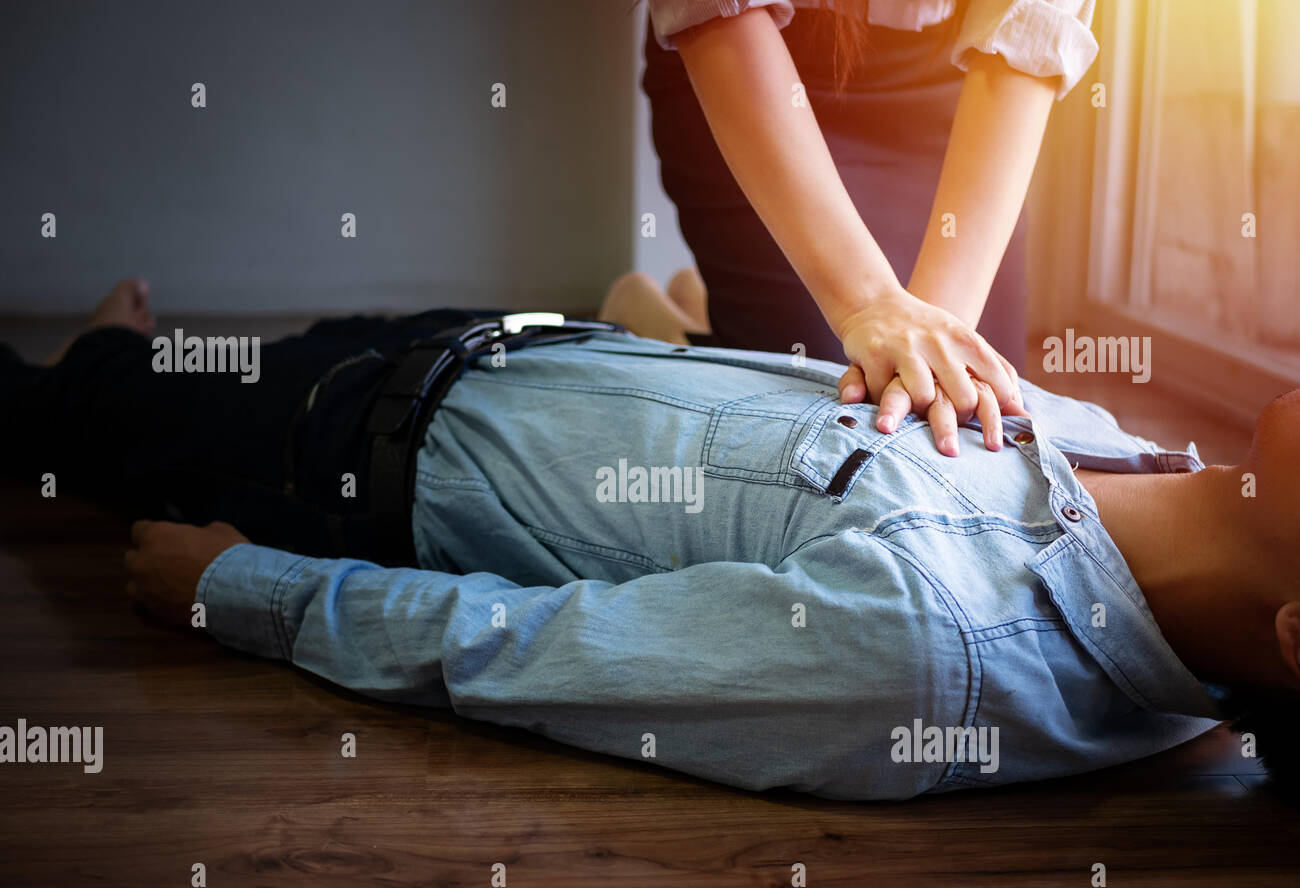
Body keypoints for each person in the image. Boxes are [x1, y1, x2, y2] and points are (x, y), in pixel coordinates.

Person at [2, 279, 1296, 801]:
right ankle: (116, 354)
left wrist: (246, 591)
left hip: (333, 451)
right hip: (514, 340)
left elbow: (545, 653)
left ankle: (92, 364)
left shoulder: (940, 647)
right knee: (164, 367)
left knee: (54, 411)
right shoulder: (1132, 444)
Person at [639, 0, 1099, 454]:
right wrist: (867, 306)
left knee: (966, 413)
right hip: (747, 58)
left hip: (956, 85)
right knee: (827, 403)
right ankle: (650, 316)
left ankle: (694, 302)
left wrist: (928, 361)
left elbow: (1026, 29)